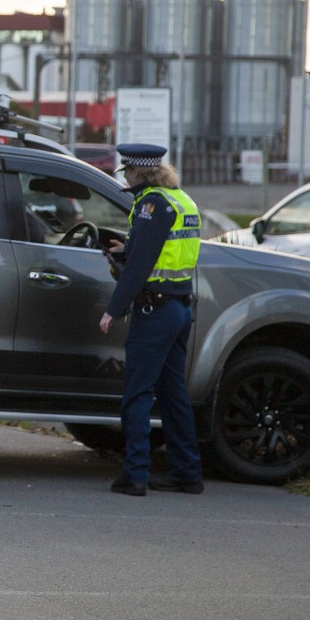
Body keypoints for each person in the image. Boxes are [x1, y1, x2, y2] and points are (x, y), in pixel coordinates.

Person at [99, 143, 205, 496]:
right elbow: (164, 249)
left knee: (137, 393)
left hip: (153, 311)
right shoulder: (181, 200)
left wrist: (113, 309)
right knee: (173, 393)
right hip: (179, 308)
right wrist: (126, 248)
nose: (126, 177)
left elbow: (141, 266)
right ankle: (187, 471)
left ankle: (135, 474)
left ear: (139, 173)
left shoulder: (150, 205)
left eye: (128, 171)